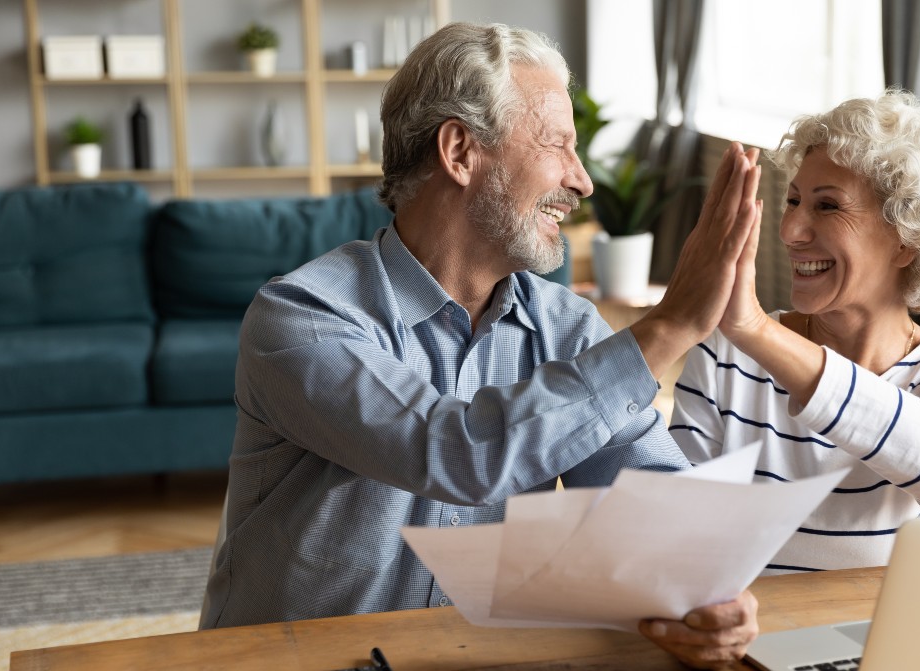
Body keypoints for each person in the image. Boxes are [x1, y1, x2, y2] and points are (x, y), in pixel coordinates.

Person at [200, 22, 761, 669]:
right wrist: (667, 328)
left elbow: (649, 496)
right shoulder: (302, 317)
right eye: (558, 144)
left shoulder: (566, 327)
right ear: (460, 151)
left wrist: (707, 588)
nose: (581, 182)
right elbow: (455, 452)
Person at [670, 90, 920, 574]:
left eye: (827, 206)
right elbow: (677, 532)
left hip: (890, 642)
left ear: (907, 240)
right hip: (748, 636)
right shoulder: (727, 354)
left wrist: (755, 331)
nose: (791, 229)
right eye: (793, 200)